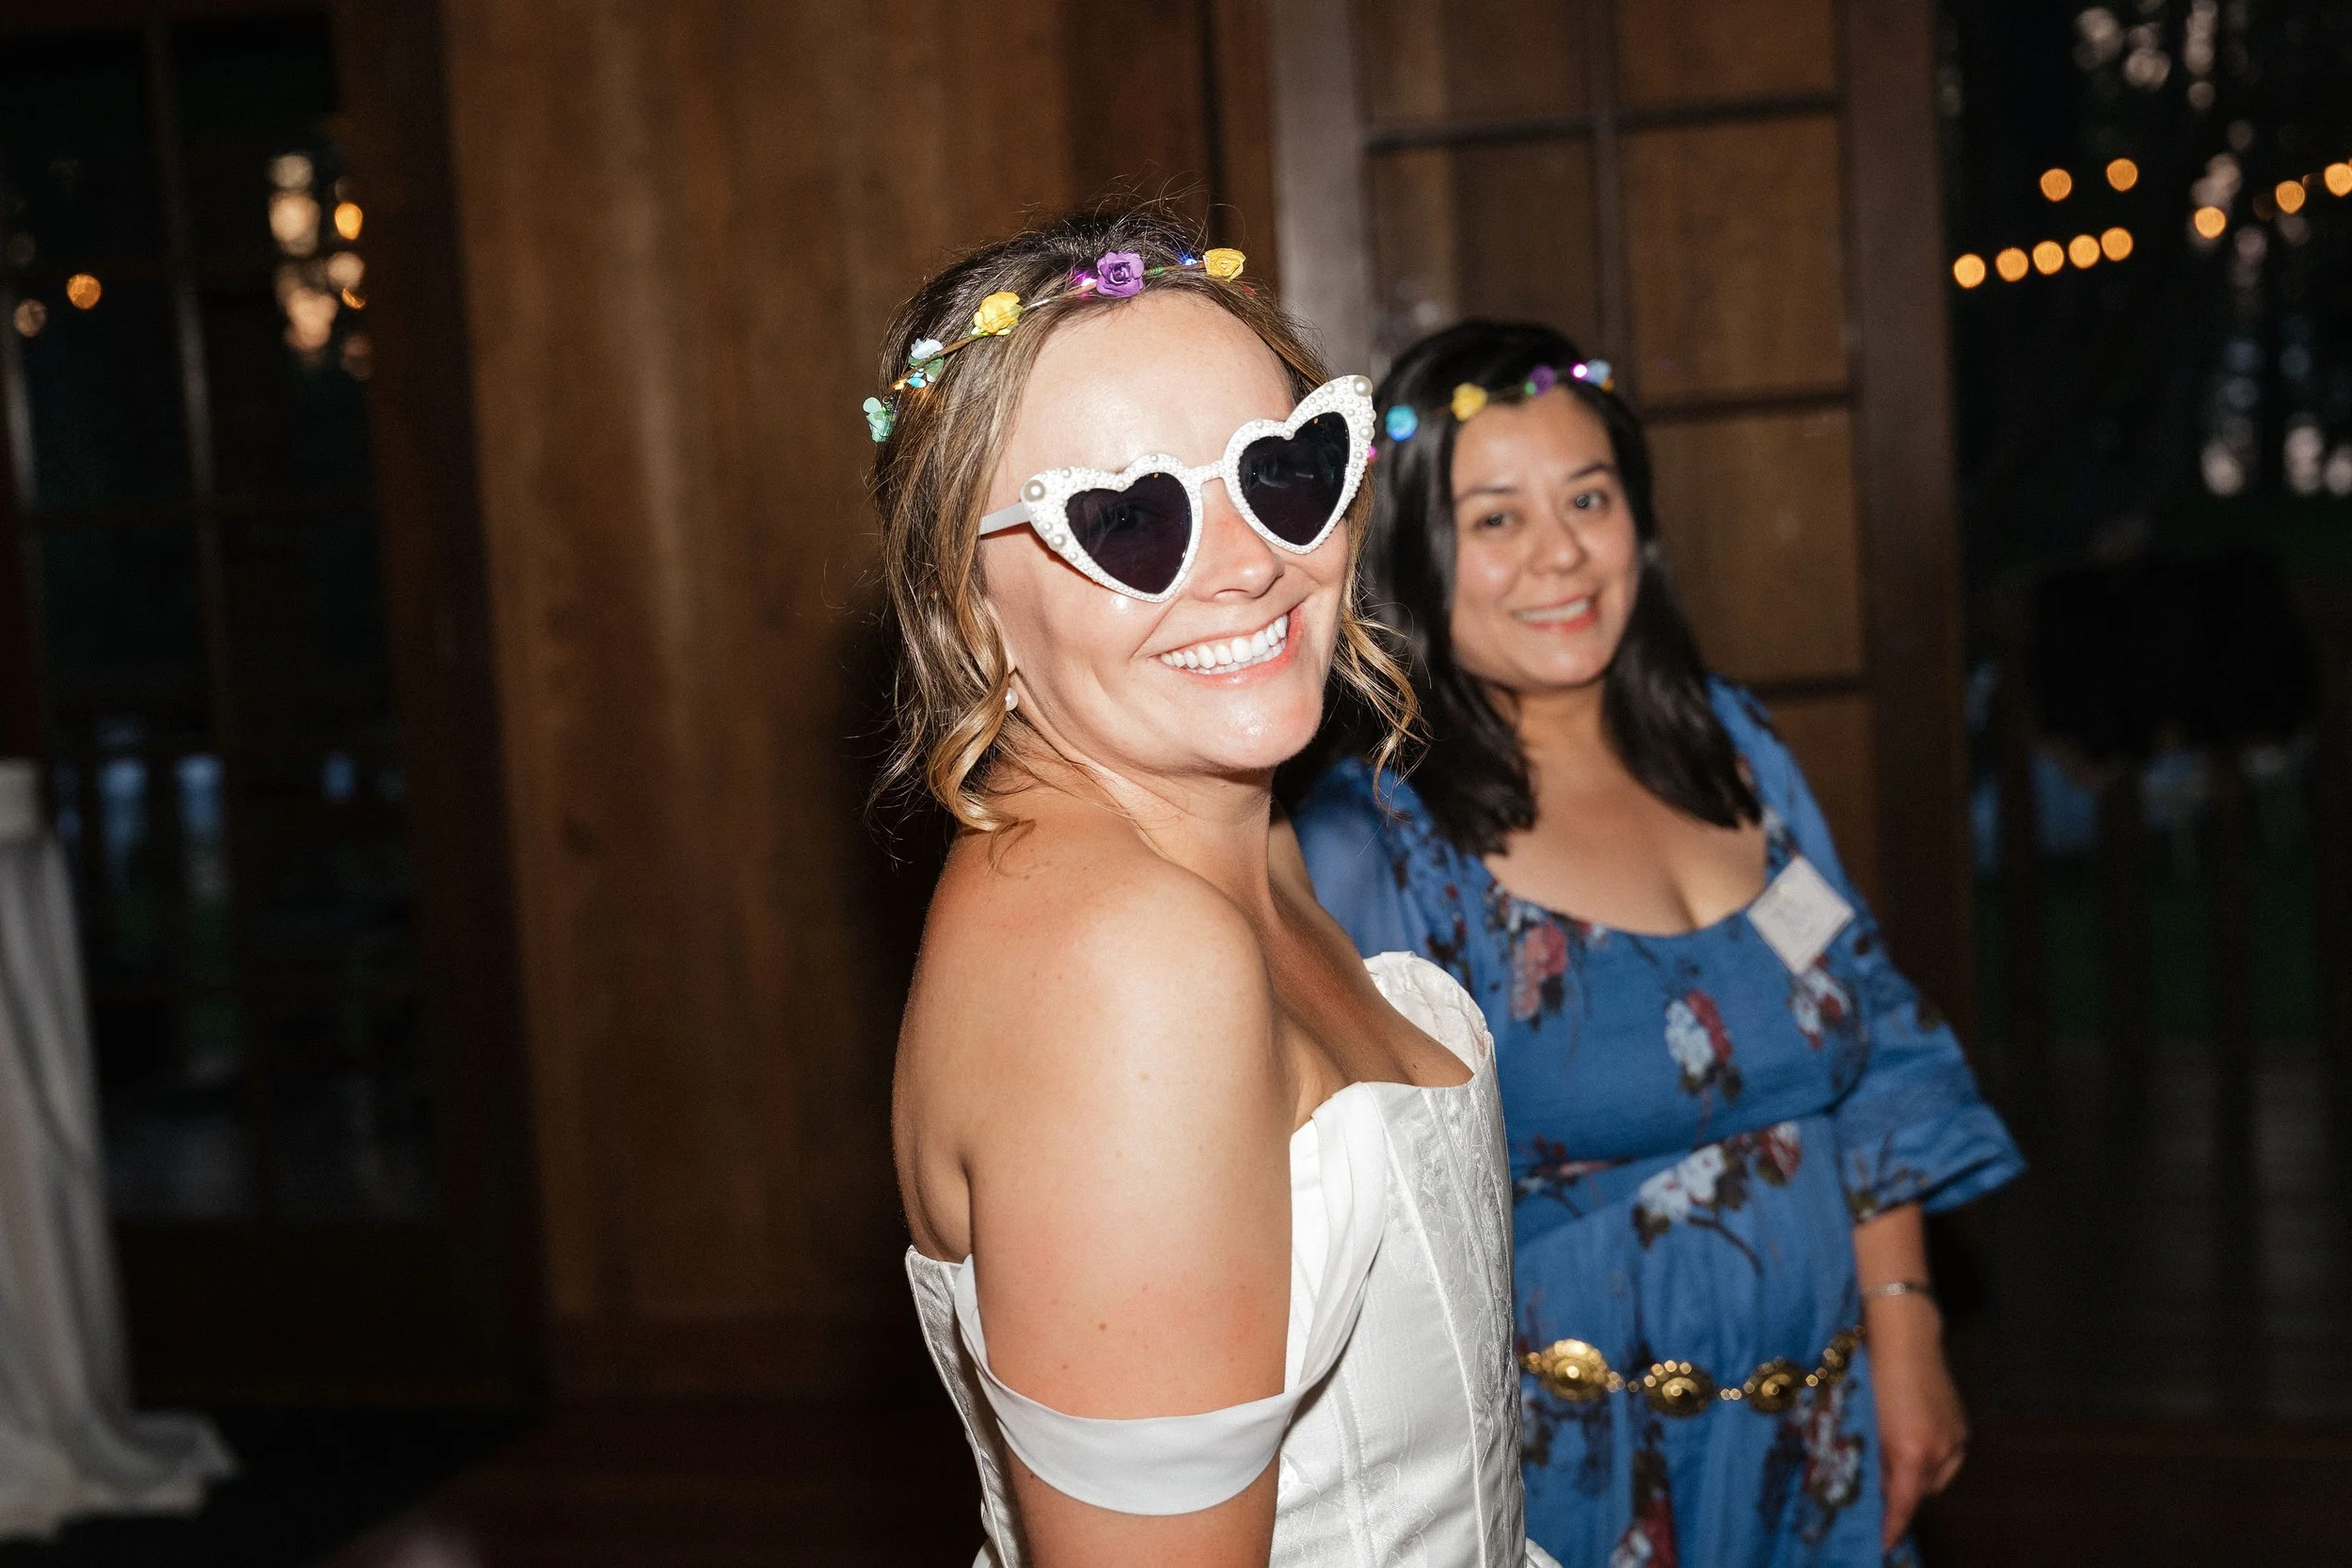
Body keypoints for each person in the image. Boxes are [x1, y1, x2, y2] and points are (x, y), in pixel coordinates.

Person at [877, 213, 1561, 1567]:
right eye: (1129, 516)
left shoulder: (1232, 837)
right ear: (969, 599)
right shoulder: (1125, 962)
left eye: (1284, 471)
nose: (1249, 562)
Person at [1291, 320, 2025, 1567]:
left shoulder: (1733, 750)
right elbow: (1351, 1225)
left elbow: (1875, 1038)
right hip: (1569, 1478)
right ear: (1415, 552)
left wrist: (1907, 1328)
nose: (1563, 552)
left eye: (1590, 495)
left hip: (1824, 1446)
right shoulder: (1379, 840)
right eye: (1497, 518)